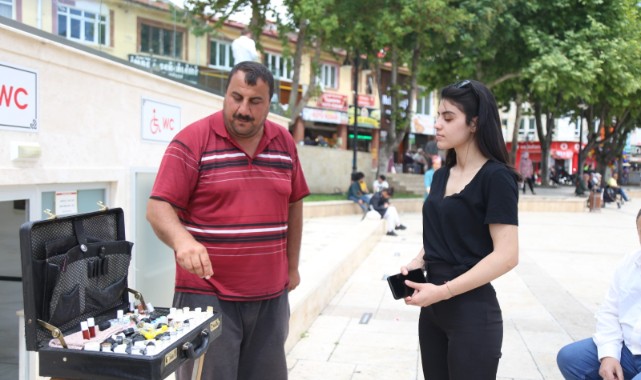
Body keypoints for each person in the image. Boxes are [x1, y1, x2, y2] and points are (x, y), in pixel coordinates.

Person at [146, 61, 309, 380]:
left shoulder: (284, 142)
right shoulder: (192, 140)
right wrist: (183, 241)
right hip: (206, 297)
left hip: (270, 299)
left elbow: (294, 205)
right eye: (236, 97)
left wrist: (292, 266)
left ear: (269, 103)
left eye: (255, 101)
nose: (243, 109)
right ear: (225, 95)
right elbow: (158, 207)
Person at [399, 79, 520, 380]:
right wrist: (418, 262)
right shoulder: (441, 176)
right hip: (433, 311)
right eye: (438, 115)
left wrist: (443, 291)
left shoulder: (497, 178)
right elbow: (446, 230)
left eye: (448, 117)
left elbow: (507, 255)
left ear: (475, 123)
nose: (437, 124)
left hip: (472, 313)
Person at [557, 208, 641, 380]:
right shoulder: (629, 263)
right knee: (570, 358)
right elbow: (610, 311)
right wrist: (609, 354)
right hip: (628, 350)